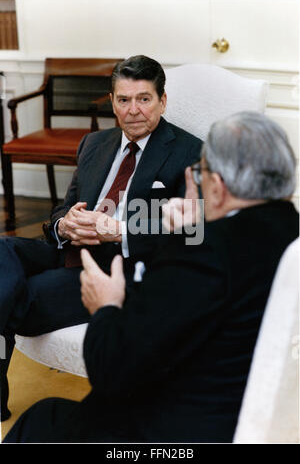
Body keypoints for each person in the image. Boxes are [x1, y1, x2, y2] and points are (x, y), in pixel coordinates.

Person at [3, 111, 298, 443]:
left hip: (171, 431)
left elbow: (112, 369)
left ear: (216, 185)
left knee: (41, 420)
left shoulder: (203, 254)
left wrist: (106, 306)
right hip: (226, 406)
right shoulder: (290, 234)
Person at [0, 55, 202, 421]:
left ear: (163, 101)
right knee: (2, 248)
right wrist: (65, 225)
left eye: (144, 98)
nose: (134, 110)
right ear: (112, 102)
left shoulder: (190, 152)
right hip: (67, 250)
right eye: (124, 100)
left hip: (116, 270)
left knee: (22, 293)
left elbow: (193, 233)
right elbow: (62, 209)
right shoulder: (94, 144)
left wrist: (120, 230)